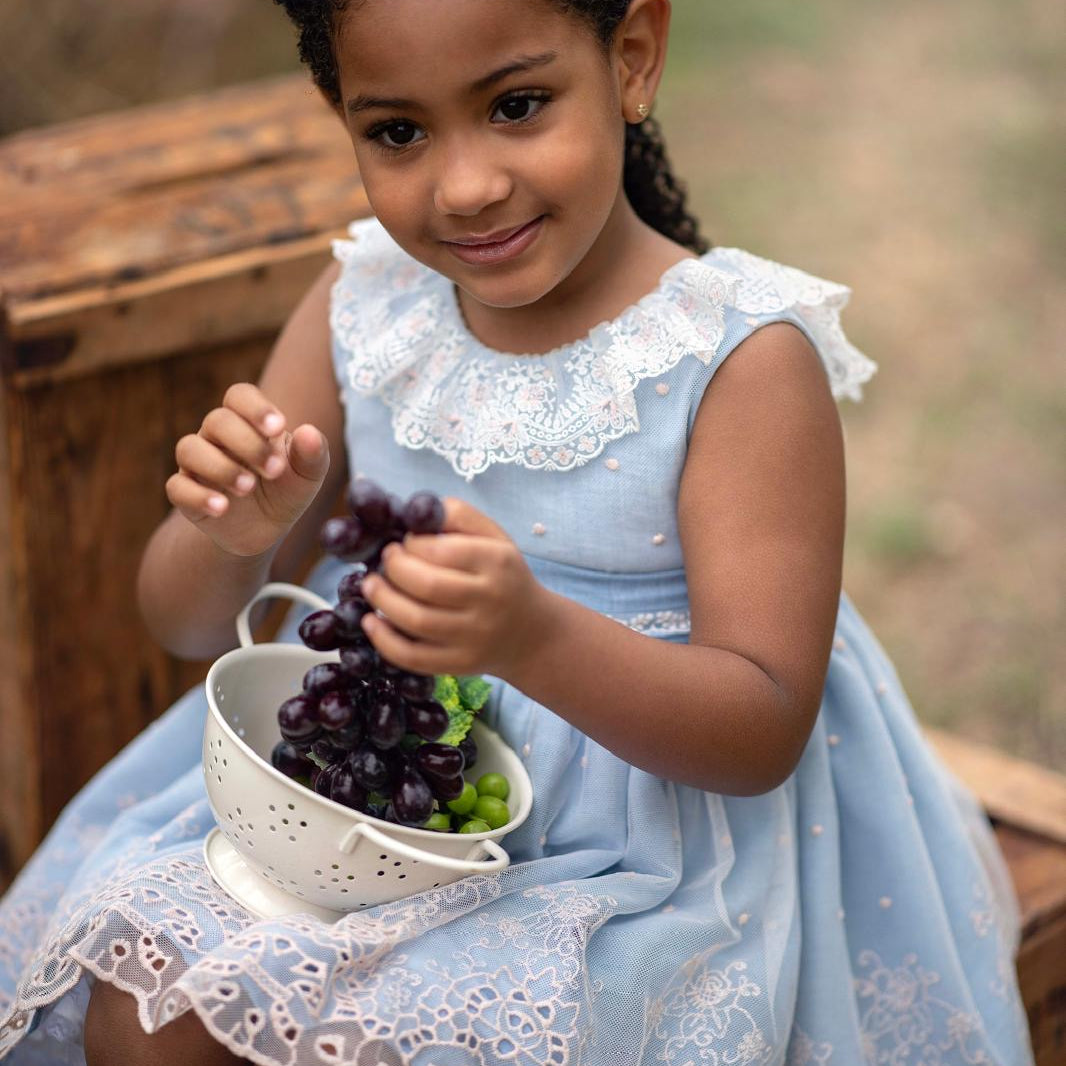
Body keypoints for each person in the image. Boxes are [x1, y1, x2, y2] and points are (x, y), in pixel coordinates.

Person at [0, 0, 1037, 1063]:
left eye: (517, 105)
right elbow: (180, 624)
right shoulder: (368, 302)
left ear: (631, 60)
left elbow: (760, 728)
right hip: (365, 795)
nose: (465, 185)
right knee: (145, 1011)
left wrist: (530, 637)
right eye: (397, 131)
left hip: (640, 867)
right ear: (341, 113)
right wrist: (231, 533)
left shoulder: (734, 357)